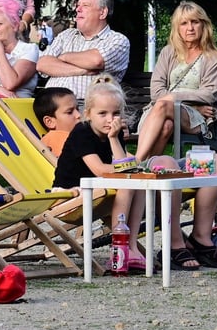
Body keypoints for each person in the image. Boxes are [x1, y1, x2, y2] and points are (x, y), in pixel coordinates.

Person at [52, 76, 147, 271]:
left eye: (115, 113)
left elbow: (122, 165)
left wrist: (113, 139)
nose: (110, 119)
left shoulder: (114, 131)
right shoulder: (82, 132)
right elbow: (101, 170)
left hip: (94, 191)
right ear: (88, 114)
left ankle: (131, 245)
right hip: (69, 195)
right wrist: (128, 167)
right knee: (126, 183)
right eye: (102, 113)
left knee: (137, 183)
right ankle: (118, 246)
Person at [134, 1, 217, 161]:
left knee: (163, 104)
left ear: (203, 25)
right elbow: (156, 91)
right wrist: (189, 101)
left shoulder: (212, 57)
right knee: (167, 125)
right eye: (184, 23)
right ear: (177, 28)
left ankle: (135, 161)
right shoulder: (168, 52)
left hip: (194, 118)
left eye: (195, 22)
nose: (190, 28)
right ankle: (148, 168)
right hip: (160, 114)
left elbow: (209, 94)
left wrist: (174, 98)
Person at [37, 0, 130, 100]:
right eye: (78, 5)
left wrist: (63, 57)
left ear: (102, 13)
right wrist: (82, 70)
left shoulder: (118, 40)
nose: (78, 9)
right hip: (50, 104)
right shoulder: (67, 35)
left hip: (88, 107)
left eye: (85, 6)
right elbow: (43, 64)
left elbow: (96, 61)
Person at [33, 87, 82, 158]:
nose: (78, 115)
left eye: (77, 109)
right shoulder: (57, 139)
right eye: (69, 112)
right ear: (49, 122)